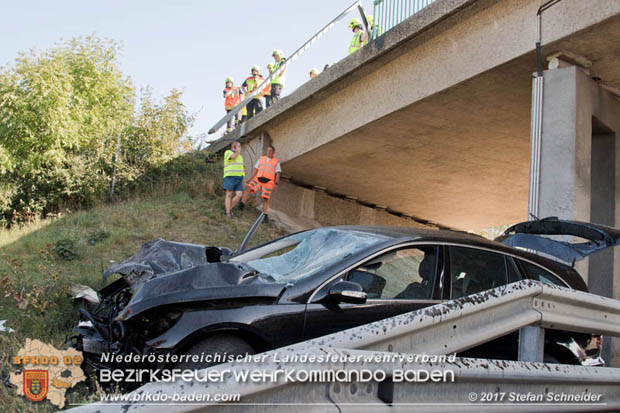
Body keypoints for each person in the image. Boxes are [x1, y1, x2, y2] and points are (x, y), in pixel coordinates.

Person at [240, 145, 281, 218]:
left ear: (273, 152)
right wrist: (250, 179)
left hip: (268, 182)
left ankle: (264, 215)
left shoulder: (276, 162)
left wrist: (276, 183)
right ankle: (241, 205)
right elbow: (256, 170)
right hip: (258, 179)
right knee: (247, 189)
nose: (268, 152)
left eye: (270, 151)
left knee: (265, 198)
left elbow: (278, 173)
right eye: (268, 150)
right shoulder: (261, 159)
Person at [223, 141, 245, 218]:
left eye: (240, 146)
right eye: (238, 146)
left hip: (239, 178)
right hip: (230, 177)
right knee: (229, 194)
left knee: (239, 195)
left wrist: (243, 173)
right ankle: (228, 212)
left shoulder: (240, 156)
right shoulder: (228, 152)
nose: (240, 148)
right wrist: (237, 152)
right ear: (233, 147)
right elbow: (232, 157)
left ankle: (228, 209)